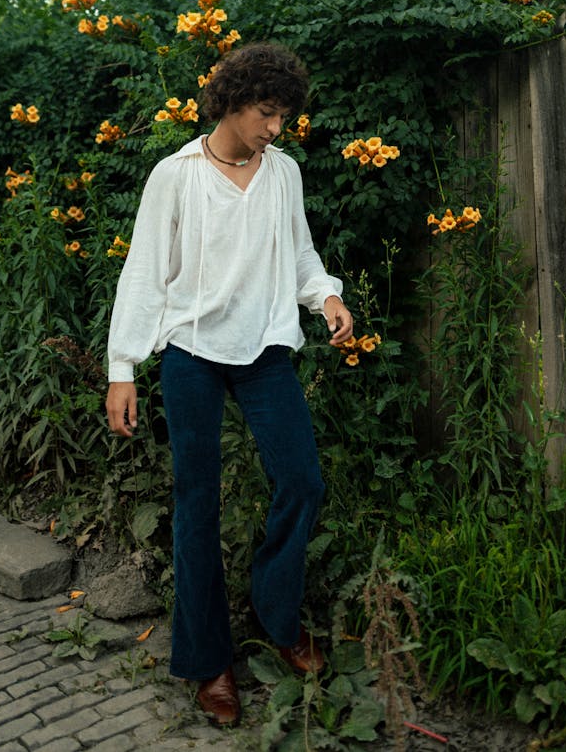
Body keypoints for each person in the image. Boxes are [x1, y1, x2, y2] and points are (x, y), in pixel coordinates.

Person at [106, 41, 353, 727]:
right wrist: (121, 367)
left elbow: (300, 253)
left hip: (265, 348)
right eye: (267, 113)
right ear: (232, 101)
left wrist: (324, 296)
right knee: (196, 503)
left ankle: (275, 612)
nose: (276, 128)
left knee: (302, 479)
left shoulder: (284, 173)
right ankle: (208, 659)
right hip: (191, 353)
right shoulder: (176, 175)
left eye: (283, 116)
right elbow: (145, 273)